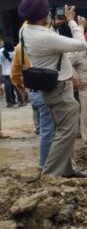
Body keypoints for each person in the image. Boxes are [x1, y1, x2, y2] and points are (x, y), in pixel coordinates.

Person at [19, 0, 87, 178]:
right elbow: (81, 45)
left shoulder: (25, 30)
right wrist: (73, 22)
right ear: (44, 13)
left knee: (63, 130)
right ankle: (50, 175)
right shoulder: (45, 37)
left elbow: (46, 33)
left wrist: (57, 24)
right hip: (59, 87)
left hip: (50, 87)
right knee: (66, 132)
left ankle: (68, 169)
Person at [10, 21, 55, 168]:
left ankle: (47, 159)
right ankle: (46, 163)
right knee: (50, 129)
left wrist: (24, 92)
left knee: (43, 127)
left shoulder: (18, 48)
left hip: (33, 92)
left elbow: (14, 75)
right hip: (47, 90)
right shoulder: (44, 42)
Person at [1, 38, 26, 108]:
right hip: (15, 72)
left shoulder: (0, 52)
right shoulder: (16, 50)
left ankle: (10, 102)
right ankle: (21, 101)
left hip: (5, 73)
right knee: (17, 87)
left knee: (7, 88)